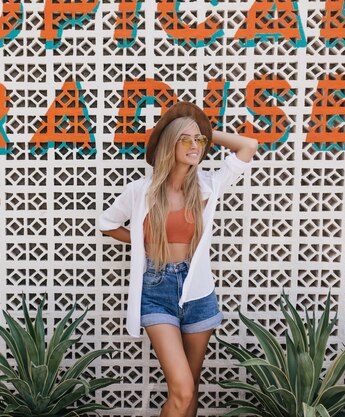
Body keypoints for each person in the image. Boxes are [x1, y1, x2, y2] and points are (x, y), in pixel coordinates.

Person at [98, 101, 258, 417]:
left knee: (189, 388)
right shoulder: (140, 191)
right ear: (170, 144)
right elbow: (106, 224)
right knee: (182, 389)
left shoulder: (208, 185)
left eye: (199, 140)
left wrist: (205, 130)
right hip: (156, 290)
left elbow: (248, 145)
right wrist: (142, 242)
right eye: (186, 139)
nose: (196, 145)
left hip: (197, 291)